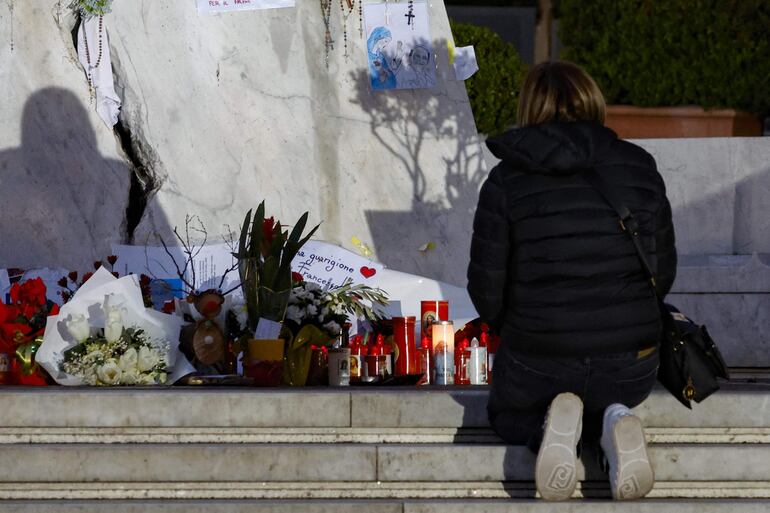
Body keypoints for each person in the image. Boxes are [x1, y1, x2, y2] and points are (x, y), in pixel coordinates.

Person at [467, 61, 676, 501]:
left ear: (530, 106)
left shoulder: (506, 180)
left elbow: (486, 291)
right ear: (592, 99)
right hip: (631, 364)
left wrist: (526, 328)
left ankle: (549, 430)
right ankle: (614, 419)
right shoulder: (639, 166)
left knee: (505, 412)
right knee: (608, 387)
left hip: (540, 360)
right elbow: (663, 271)